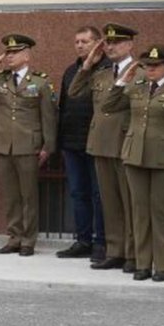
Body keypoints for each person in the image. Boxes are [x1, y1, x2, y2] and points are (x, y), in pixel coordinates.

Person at [103, 45, 164, 282]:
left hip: (163, 159)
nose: (150, 70)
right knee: (139, 213)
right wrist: (123, 80)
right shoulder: (136, 87)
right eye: (147, 66)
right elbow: (108, 106)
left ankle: (162, 266)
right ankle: (143, 264)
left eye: (155, 66)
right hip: (134, 156)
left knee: (161, 214)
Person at [0, 34, 56, 257]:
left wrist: (48, 146)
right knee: (11, 195)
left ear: (27, 55)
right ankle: (14, 237)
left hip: (28, 145)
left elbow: (48, 116)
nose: (9, 56)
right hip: (3, 144)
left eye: (14, 52)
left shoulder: (40, 81)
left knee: (28, 195)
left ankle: (28, 240)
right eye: (7, 53)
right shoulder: (0, 79)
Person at [71, 23, 139, 271]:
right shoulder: (101, 74)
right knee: (109, 203)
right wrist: (87, 65)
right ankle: (115, 250)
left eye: (117, 42)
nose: (111, 47)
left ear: (130, 44)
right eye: (108, 42)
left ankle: (133, 254)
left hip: (124, 143)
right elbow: (74, 91)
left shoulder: (140, 72)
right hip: (100, 143)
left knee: (129, 203)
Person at [55, 26, 106, 260]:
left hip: (98, 143)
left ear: (99, 43)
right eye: (77, 42)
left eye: (85, 41)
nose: (80, 45)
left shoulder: (108, 69)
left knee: (99, 194)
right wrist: (60, 141)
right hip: (72, 143)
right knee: (78, 193)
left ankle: (101, 242)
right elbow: (63, 108)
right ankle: (83, 240)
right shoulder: (70, 70)